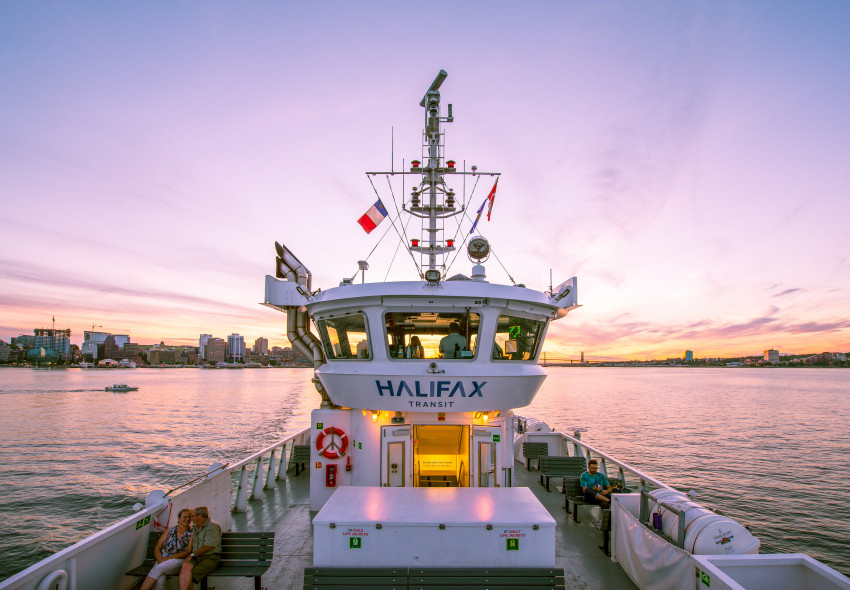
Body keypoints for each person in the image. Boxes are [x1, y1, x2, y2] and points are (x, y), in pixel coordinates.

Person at [141, 508, 194, 590]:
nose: (187, 519)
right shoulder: (170, 530)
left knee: (159, 568)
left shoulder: (192, 532)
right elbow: (157, 547)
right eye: (185, 517)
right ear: (179, 519)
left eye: (189, 517)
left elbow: (188, 551)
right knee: (159, 581)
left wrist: (167, 559)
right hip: (163, 560)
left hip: (178, 561)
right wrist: (160, 560)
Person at [178, 506, 222, 590]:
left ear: (200, 516)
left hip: (210, 558)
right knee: (186, 566)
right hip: (197, 557)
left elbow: (208, 546)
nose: (191, 518)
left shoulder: (212, 526)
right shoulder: (196, 527)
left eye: (192, 516)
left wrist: (192, 555)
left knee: (189, 574)